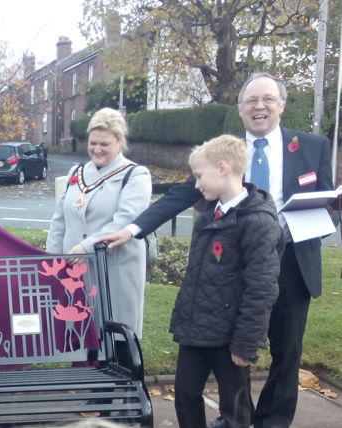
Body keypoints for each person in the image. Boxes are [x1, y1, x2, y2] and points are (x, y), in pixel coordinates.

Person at [96, 72, 334, 428]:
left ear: (281, 105)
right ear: (240, 110)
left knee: (286, 355)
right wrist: (132, 229)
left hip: (292, 266)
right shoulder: (222, 151)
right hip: (230, 272)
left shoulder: (313, 146)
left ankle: (272, 422)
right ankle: (237, 417)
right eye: (251, 100)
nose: (260, 107)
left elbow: (326, 200)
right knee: (234, 354)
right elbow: (181, 194)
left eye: (268, 99)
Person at [172, 135, 283, 428]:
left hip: (231, 336)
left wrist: (245, 343)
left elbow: (262, 288)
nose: (196, 185)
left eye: (199, 176)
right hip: (196, 329)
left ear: (222, 168)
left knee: (235, 406)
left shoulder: (257, 222)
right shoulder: (208, 215)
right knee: (184, 393)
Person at [46, 107, 151, 364]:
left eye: (105, 144)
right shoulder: (76, 173)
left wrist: (84, 247)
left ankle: (127, 394)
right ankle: (90, 386)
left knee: (116, 333)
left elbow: (124, 221)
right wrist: (50, 258)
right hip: (75, 271)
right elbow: (59, 219)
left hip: (115, 269)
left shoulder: (135, 175)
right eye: (93, 143)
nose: (97, 149)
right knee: (81, 329)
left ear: (120, 142)